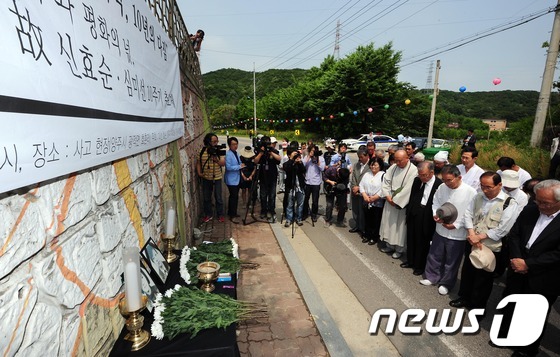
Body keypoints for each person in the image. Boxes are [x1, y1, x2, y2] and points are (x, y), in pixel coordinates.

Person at [496, 180, 560, 357]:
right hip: (518, 266)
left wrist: (528, 264)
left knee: (533, 314)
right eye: (537, 200)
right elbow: (515, 234)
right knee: (510, 303)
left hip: (544, 275)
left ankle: (526, 348)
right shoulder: (531, 209)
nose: (539, 205)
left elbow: (557, 254)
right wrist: (518, 259)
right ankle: (504, 334)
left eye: (545, 203)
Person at [449, 172, 518, 311]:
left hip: (490, 247)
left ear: (499, 185)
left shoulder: (509, 203)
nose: (485, 190)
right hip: (472, 242)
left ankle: (478, 307)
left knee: (484, 279)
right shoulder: (478, 196)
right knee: (468, 272)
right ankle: (464, 298)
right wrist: (471, 233)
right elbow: (468, 214)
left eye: (488, 187)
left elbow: (503, 229)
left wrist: (479, 237)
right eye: (482, 186)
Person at [421, 165, 477, 295]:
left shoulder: (470, 192)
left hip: (458, 232)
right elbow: (435, 202)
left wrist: (456, 224)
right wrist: (436, 215)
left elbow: (470, 213)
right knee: (435, 254)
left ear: (459, 177)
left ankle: (446, 283)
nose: (447, 183)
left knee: (452, 260)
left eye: (450, 180)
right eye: (444, 180)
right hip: (440, 229)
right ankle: (431, 276)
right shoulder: (442, 187)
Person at [402, 162, 443, 276]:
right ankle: (410, 261)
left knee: (422, 241)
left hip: (427, 214)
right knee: (411, 238)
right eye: (420, 174)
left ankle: (420, 265)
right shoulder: (417, 181)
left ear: (431, 172)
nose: (421, 177)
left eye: (424, 175)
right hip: (414, 211)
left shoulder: (439, 185)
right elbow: (412, 197)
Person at [379, 149, 418, 258]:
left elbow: (408, 189)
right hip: (389, 200)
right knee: (388, 224)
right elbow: (385, 182)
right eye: (396, 160)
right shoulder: (393, 167)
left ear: (407, 158)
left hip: (401, 204)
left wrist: (396, 201)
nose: (397, 163)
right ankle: (389, 245)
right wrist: (387, 196)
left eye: (400, 160)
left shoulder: (414, 171)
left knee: (399, 227)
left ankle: (399, 249)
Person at [196, 133, 226, 223]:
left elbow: (223, 163)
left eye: (217, 141)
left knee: (218, 197)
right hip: (206, 178)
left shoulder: (218, 151)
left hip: (217, 177)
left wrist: (216, 159)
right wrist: (199, 173)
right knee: (206, 198)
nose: (216, 143)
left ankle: (220, 214)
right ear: (208, 142)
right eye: (214, 141)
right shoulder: (202, 151)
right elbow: (198, 162)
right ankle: (208, 214)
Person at [254, 135, 281, 222]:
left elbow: (279, 159)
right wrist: (261, 153)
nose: (267, 144)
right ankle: (263, 211)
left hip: (272, 177)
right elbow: (255, 161)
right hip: (262, 177)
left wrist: (271, 152)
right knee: (263, 196)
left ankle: (271, 211)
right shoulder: (260, 150)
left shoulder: (273, 150)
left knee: (272, 196)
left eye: (269, 143)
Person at [359, 157, 386, 245]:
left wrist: (375, 197)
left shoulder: (383, 175)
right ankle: (367, 235)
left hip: (377, 201)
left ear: (380, 166)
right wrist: (364, 195)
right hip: (366, 200)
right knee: (367, 218)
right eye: (371, 164)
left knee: (376, 219)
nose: (373, 167)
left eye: (375, 165)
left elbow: (384, 188)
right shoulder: (367, 174)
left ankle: (374, 237)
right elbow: (361, 185)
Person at [349, 149, 371, 236]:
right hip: (355, 191)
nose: (360, 159)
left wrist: (360, 188)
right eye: (359, 157)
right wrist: (354, 187)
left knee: (363, 211)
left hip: (364, 192)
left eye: (361, 157)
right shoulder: (356, 165)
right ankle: (357, 225)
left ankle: (363, 228)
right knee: (355, 210)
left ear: (367, 156)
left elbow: (370, 180)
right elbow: (353, 177)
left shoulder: (371, 165)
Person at [302, 144, 325, 222]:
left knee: (315, 200)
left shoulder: (321, 158)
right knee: (305, 199)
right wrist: (309, 157)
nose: (313, 152)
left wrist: (317, 161)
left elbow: (322, 168)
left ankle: (314, 214)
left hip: (316, 182)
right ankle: (305, 213)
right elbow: (303, 166)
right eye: (311, 151)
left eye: (314, 151)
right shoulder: (306, 158)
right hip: (307, 182)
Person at [224, 137, 245, 224]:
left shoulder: (236, 153)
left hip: (236, 179)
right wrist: (239, 167)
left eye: (236, 144)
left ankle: (233, 212)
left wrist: (241, 164)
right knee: (233, 197)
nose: (235, 146)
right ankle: (232, 215)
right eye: (233, 144)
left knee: (235, 197)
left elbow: (239, 162)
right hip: (231, 180)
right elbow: (228, 167)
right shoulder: (228, 154)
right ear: (229, 145)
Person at [283, 150, 306, 227]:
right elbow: (287, 169)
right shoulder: (288, 163)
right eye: (294, 156)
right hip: (291, 187)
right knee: (290, 204)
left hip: (300, 187)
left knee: (300, 204)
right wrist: (292, 159)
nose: (296, 157)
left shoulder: (299, 164)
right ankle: (289, 219)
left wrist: (300, 162)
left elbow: (304, 170)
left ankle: (299, 218)